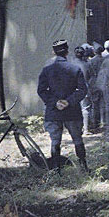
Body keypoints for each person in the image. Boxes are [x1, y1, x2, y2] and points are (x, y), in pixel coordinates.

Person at [37, 40, 89, 171]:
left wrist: (55, 102)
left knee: (55, 141)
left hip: (54, 111)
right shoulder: (75, 69)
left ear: (53, 52)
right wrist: (69, 101)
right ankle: (84, 167)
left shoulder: (47, 70)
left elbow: (41, 91)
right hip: (72, 111)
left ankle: (56, 170)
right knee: (77, 139)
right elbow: (83, 90)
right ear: (67, 51)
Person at [71, 46, 93, 134]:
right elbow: (91, 76)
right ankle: (86, 129)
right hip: (84, 88)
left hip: (72, 89)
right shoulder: (86, 65)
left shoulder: (70, 65)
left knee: (75, 109)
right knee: (85, 108)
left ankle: (75, 129)